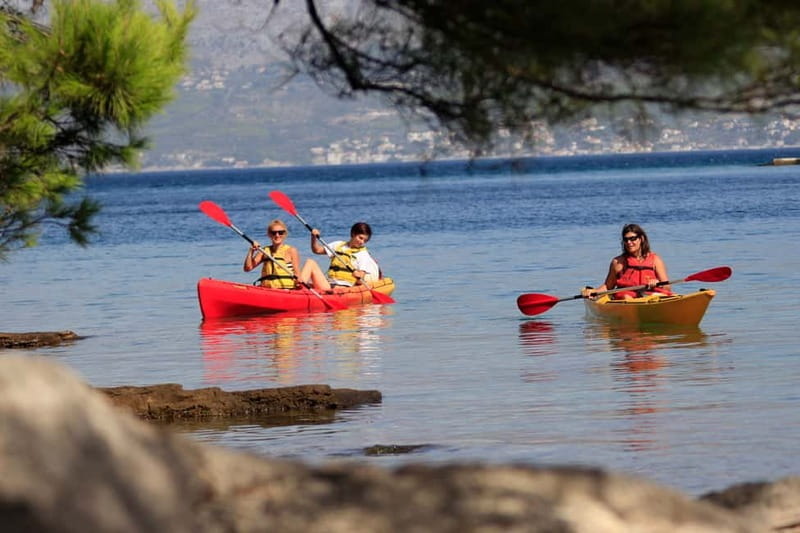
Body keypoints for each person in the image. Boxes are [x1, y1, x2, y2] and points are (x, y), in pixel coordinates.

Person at [584, 224, 671, 300]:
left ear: (641, 239)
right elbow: (608, 287)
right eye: (626, 240)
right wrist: (594, 292)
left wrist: (657, 283)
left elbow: (667, 287)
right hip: (627, 297)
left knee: (662, 295)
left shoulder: (655, 260)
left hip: (650, 296)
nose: (629, 242)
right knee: (626, 296)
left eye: (632, 238)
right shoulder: (617, 262)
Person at [297, 222, 382, 291]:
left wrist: (357, 274)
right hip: (328, 284)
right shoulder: (338, 245)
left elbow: (361, 277)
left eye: (365, 240)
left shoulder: (363, 254)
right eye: (360, 238)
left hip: (343, 288)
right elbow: (317, 250)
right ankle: (300, 287)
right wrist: (313, 238)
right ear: (353, 234)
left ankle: (300, 291)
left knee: (337, 288)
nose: (362, 242)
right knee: (310, 262)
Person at [243, 219, 300, 288]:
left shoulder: (291, 250)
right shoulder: (264, 251)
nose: (277, 235)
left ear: (285, 234)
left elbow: (297, 274)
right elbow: (247, 268)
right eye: (274, 233)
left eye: (280, 232)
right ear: (269, 234)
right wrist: (251, 251)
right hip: (267, 288)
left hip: (286, 289)